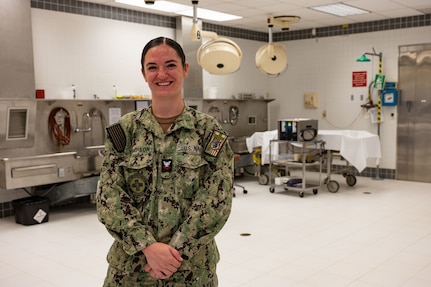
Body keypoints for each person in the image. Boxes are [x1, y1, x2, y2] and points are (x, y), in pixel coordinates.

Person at [96, 36, 234, 287]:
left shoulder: (207, 131)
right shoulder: (124, 132)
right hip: (131, 271)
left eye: (170, 65)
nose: (162, 74)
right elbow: (109, 198)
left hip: (191, 271)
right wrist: (148, 247)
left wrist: (173, 253)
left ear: (185, 69)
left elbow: (217, 199)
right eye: (152, 67)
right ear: (143, 73)